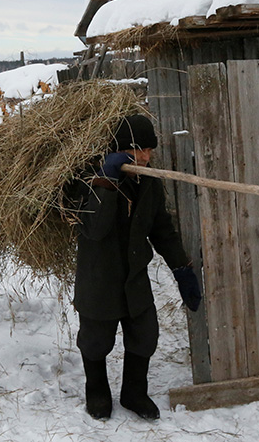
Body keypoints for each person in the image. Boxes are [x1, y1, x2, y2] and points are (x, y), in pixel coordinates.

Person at [73, 113, 202, 421]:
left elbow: (162, 229)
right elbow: (95, 228)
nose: (145, 157)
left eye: (149, 149)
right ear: (118, 149)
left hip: (134, 276)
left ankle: (134, 392)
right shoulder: (86, 179)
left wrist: (181, 267)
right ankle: (97, 390)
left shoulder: (148, 182)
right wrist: (106, 180)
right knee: (96, 341)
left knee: (145, 335)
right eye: (137, 149)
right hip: (99, 278)